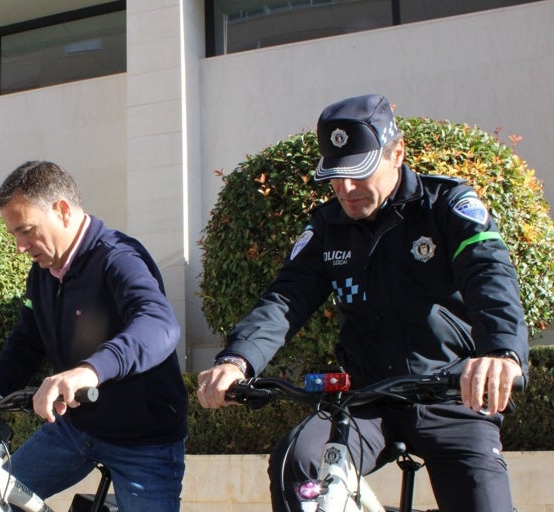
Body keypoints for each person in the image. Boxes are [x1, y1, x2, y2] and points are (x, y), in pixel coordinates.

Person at [196, 94, 528, 512]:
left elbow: (489, 275)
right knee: (296, 462)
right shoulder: (327, 226)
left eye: (358, 172)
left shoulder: (447, 205)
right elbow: (285, 299)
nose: (345, 190)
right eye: (335, 176)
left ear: (397, 154)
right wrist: (237, 360)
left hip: (450, 395)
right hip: (366, 403)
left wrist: (502, 352)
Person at [0, 160, 189, 511]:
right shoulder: (42, 273)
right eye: (14, 234)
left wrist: (89, 371)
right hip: (73, 431)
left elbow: (159, 323)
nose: (20, 247)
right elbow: (26, 343)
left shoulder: (118, 258)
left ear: (62, 210)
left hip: (144, 442)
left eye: (26, 230)